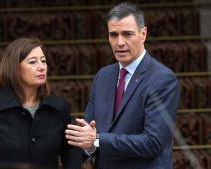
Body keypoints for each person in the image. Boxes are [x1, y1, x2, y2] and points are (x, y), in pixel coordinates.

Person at [65, 2, 180, 169]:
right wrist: (88, 144)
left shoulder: (162, 79)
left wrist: (97, 139)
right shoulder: (102, 76)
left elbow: (153, 143)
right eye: (113, 35)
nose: (119, 42)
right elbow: (89, 131)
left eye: (127, 34)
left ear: (143, 34)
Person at [0, 38, 82, 169]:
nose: (41, 67)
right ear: (14, 67)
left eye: (43, 61)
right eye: (32, 62)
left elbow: (71, 150)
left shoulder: (59, 106)